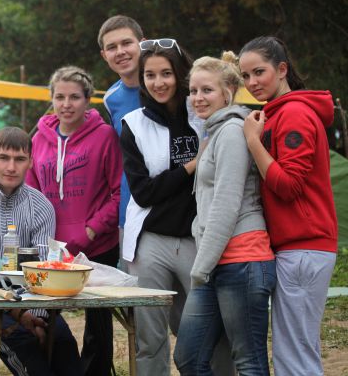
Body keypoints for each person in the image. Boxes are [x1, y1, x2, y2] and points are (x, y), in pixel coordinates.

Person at [120, 39, 234, 376]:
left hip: (198, 239)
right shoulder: (133, 124)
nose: (158, 83)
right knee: (150, 334)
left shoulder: (202, 111)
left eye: (166, 73)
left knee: (208, 329)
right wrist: (191, 166)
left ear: (180, 74)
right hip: (150, 241)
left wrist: (177, 178)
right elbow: (143, 192)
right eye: (150, 75)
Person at [239, 36, 338, 376]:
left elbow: (289, 186)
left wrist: (253, 142)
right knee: (298, 349)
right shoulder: (279, 112)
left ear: (282, 70)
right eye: (245, 76)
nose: (252, 83)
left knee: (293, 357)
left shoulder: (293, 114)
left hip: (302, 249)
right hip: (300, 248)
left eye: (259, 72)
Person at [0, 127, 82, 376]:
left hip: (34, 303)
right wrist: (20, 315)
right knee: (30, 354)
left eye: (19, 159)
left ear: (30, 162)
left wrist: (37, 316)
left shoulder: (41, 205)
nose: (11, 167)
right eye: (3, 158)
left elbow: (45, 270)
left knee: (64, 346)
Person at [173, 53, 276, 375]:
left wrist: (199, 267)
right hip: (217, 260)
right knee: (189, 357)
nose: (198, 98)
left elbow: (227, 203)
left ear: (227, 92)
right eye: (193, 91)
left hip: (242, 259)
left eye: (207, 91)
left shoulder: (232, 131)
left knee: (248, 361)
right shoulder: (214, 133)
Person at [26, 66, 122, 376]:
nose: (67, 104)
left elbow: (118, 192)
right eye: (60, 97)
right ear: (51, 99)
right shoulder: (37, 139)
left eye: (75, 97)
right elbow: (32, 192)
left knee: (98, 324)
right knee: (46, 315)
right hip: (52, 247)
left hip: (97, 243)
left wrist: (92, 229)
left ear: (88, 100)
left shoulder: (105, 136)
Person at [98, 15, 144, 265]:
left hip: (178, 212)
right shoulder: (111, 98)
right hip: (131, 211)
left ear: (142, 44)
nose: (120, 52)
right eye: (112, 47)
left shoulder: (175, 86)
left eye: (126, 43)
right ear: (104, 55)